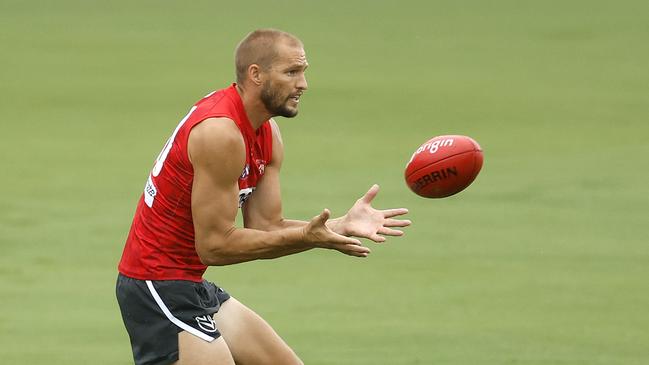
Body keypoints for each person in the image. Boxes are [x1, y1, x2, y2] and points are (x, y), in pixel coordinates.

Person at [116, 28, 411, 365]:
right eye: (292, 72)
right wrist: (308, 238)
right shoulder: (220, 133)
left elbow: (266, 225)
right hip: (156, 284)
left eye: (303, 71)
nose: (303, 84)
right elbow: (214, 246)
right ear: (255, 74)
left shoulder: (266, 131)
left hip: (188, 282)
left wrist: (340, 226)